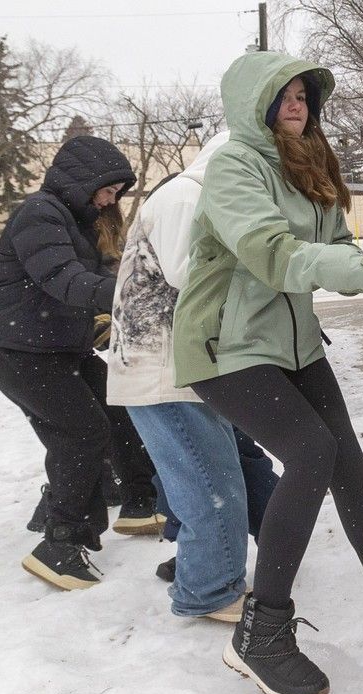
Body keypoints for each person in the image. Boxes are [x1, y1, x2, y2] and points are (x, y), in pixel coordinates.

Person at [172, 51, 363, 694]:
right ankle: (262, 633)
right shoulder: (235, 166)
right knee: (311, 450)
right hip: (225, 346)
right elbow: (274, 254)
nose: (296, 102)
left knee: (347, 464)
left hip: (292, 346)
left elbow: (338, 252)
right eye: (282, 93)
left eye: (302, 93)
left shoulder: (310, 165)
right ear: (252, 101)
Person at [107, 130, 280, 623]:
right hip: (164, 368)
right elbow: (194, 277)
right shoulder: (187, 196)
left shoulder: (196, 196)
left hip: (183, 366)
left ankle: (204, 574)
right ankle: (210, 591)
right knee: (209, 485)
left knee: (209, 479)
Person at [0, 135, 161, 591]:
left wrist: (135, 285)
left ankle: (137, 499)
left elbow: (92, 277)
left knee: (117, 405)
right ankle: (61, 542)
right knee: (81, 432)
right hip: (21, 353)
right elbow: (62, 279)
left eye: (116, 193)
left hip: (57, 350)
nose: (110, 199)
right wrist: (129, 294)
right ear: (82, 180)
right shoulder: (40, 213)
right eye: (107, 189)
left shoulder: (72, 222)